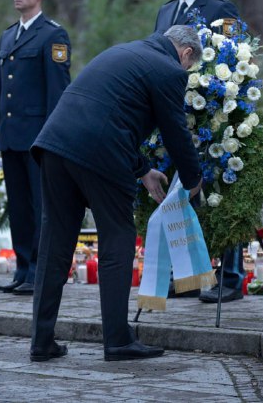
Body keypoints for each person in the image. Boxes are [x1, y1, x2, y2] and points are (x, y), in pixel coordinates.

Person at [29, 25, 203, 362]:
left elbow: (107, 114)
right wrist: (193, 179)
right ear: (185, 54)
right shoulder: (169, 70)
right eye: (189, 66)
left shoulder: (124, 50)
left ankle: (41, 340)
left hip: (54, 145)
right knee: (118, 240)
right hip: (98, 155)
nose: (185, 71)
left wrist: (142, 170)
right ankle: (118, 340)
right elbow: (175, 132)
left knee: (55, 246)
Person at [154, 0, 244, 304]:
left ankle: (231, 276)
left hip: (215, 120)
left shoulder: (220, 9)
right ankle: (188, 275)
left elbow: (237, 62)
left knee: (222, 195)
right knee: (179, 195)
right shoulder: (164, 13)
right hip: (174, 116)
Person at [0, 0, 72, 296]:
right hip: (11, 136)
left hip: (37, 137)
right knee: (19, 207)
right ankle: (23, 268)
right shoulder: (8, 35)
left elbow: (58, 93)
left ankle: (40, 270)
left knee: (40, 208)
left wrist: (52, 138)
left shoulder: (53, 35)